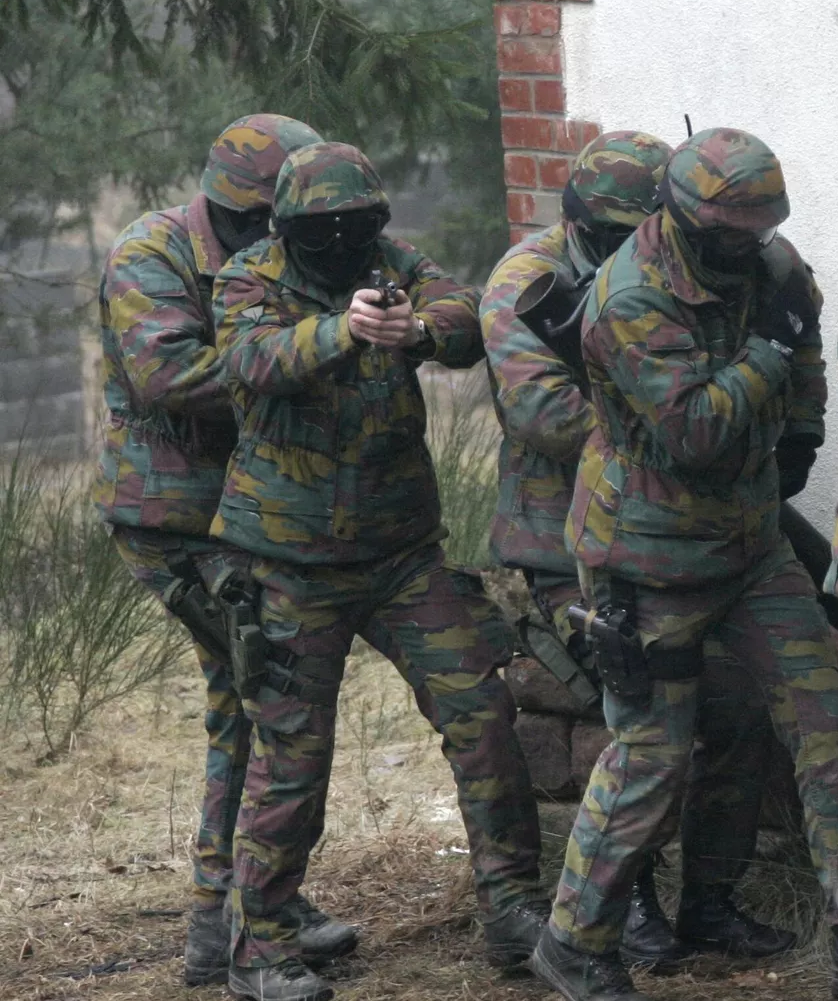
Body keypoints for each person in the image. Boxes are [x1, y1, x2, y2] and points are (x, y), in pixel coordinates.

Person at [529, 127, 838, 1001]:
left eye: (760, 229)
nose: (750, 246)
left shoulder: (769, 263)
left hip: (752, 549)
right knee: (651, 756)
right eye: (732, 232)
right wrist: (765, 351)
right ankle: (576, 942)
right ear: (684, 218)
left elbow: (804, 351)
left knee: (828, 734)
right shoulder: (628, 296)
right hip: (645, 558)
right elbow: (693, 431)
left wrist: (800, 426)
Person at [212, 141, 549, 1001]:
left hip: (402, 554)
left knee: (483, 716)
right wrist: (343, 330)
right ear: (289, 228)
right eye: (325, 230)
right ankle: (260, 948)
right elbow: (251, 361)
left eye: (354, 227)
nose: (341, 242)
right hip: (292, 563)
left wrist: (421, 330)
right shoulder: (249, 277)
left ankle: (514, 909)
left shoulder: (396, 263)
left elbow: (469, 322)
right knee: (292, 755)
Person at [480, 129, 792, 970]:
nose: (633, 251)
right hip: (565, 555)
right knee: (650, 729)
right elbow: (545, 417)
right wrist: (648, 406)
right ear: (579, 222)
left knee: (735, 706)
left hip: (685, 543)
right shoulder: (528, 283)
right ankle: (623, 906)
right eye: (611, 237)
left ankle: (711, 899)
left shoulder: (693, 273)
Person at [92, 113, 358, 986]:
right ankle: (235, 919)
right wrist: (291, 358)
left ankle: (239, 906)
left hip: (244, 516)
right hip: (174, 520)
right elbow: (164, 376)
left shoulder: (277, 258)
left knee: (246, 700)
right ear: (244, 208)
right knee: (269, 689)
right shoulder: (151, 253)